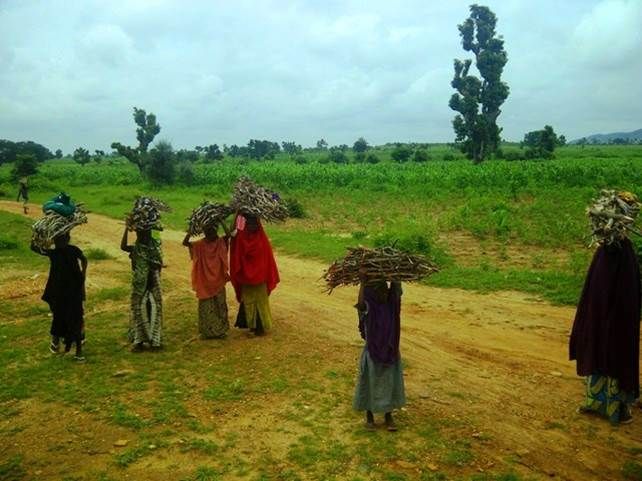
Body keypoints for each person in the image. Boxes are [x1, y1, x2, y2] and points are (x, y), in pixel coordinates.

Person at [570, 237, 641, 425]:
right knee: (598, 341)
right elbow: (592, 296)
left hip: (618, 320)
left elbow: (628, 299)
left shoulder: (623, 258)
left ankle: (617, 406)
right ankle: (594, 401)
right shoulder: (603, 255)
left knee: (616, 346)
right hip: (600, 317)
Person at [353, 278, 406, 431]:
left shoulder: (392, 305)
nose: (383, 292)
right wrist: (363, 283)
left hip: (390, 351)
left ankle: (388, 416)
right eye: (378, 290)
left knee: (389, 382)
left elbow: (397, 290)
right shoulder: (371, 306)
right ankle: (369, 417)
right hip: (373, 351)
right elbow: (361, 304)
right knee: (370, 382)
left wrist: (396, 276)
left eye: (385, 289)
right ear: (373, 293)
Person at [31, 232, 87, 361]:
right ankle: (58, 342)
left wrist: (82, 276)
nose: (59, 242)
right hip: (59, 292)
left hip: (72, 291)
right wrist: (37, 235)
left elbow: (84, 260)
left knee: (75, 318)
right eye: (56, 240)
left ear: (68, 239)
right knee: (59, 317)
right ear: (54, 241)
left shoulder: (72, 250)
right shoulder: (54, 253)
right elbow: (34, 248)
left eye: (62, 239)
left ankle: (78, 351)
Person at [229, 213, 279, 336]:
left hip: (260, 277)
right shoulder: (240, 236)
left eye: (255, 223)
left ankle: (260, 327)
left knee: (260, 301)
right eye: (250, 223)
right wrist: (237, 213)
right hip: (246, 278)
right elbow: (232, 232)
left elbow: (267, 258)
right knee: (248, 301)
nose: (253, 226)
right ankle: (251, 326)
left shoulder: (261, 238)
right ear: (246, 224)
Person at [183, 223, 231, 339]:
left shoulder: (218, 242)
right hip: (207, 282)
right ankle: (208, 332)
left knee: (219, 305)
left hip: (215, 281)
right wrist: (191, 231)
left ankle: (220, 331)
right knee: (209, 306)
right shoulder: (200, 244)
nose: (213, 234)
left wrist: (220, 221)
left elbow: (229, 235)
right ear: (205, 233)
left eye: (214, 231)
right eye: (210, 232)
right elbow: (185, 243)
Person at [121, 226, 163, 351]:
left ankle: (155, 341)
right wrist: (126, 229)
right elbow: (123, 246)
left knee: (154, 311)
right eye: (140, 233)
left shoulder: (154, 250)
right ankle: (139, 341)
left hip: (152, 284)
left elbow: (158, 265)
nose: (143, 236)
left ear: (149, 233)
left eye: (145, 233)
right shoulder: (135, 249)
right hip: (139, 285)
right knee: (138, 312)